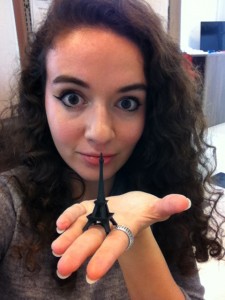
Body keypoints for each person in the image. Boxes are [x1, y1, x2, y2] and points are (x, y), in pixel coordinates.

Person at [0, 0, 224, 299]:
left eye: (127, 103)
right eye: (71, 97)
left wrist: (138, 236)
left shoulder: (165, 196)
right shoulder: (9, 205)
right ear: (41, 98)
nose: (100, 132)